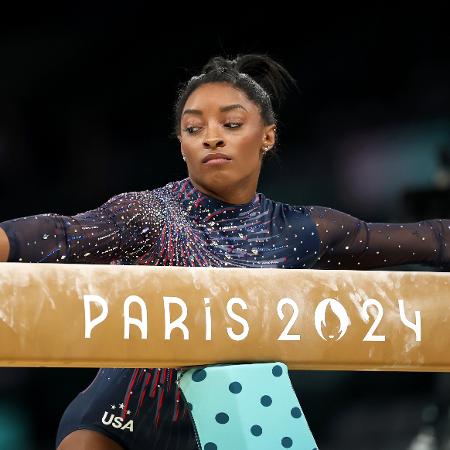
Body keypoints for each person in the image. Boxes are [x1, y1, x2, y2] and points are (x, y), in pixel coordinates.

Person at [0, 53, 449, 450]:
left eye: (231, 125)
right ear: (181, 144)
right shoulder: (150, 213)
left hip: (240, 426)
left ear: (267, 136)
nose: (211, 138)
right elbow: (61, 234)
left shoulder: (301, 229)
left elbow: (427, 240)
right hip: (118, 424)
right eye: (194, 128)